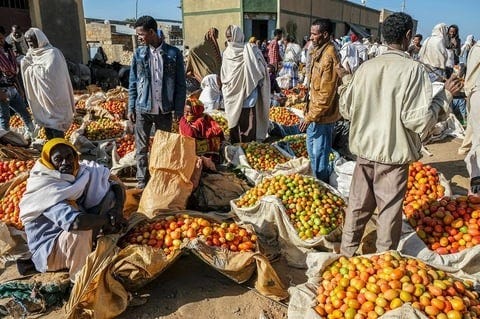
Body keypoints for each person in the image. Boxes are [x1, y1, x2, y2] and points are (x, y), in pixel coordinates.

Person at [336, 12, 463, 257]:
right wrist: (444, 96)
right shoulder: (413, 71)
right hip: (392, 156)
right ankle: (385, 261)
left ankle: (346, 255)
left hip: (364, 152)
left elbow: (347, 109)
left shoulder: (366, 67)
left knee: (357, 207)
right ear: (407, 36)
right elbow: (418, 121)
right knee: (388, 213)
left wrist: (347, 81)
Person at [19, 138, 126, 281]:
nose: (65, 163)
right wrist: (109, 219)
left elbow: (114, 184)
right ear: (49, 162)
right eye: (58, 159)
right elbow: (75, 222)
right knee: (81, 230)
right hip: (50, 251)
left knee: (108, 195)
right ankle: (79, 279)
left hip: (69, 238)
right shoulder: (46, 188)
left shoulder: (79, 173)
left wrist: (117, 211)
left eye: (69, 157)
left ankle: (93, 245)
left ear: (75, 157)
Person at [128, 16, 186, 189]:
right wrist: (131, 106)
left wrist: (179, 109)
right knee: (141, 148)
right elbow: (133, 82)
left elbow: (180, 84)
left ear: (152, 32)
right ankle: (141, 181)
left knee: (164, 147)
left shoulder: (173, 54)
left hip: (165, 110)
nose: (139, 37)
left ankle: (160, 179)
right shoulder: (139, 54)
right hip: (142, 109)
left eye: (141, 34)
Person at [299, 18, 341, 183]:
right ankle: (317, 179)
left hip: (322, 115)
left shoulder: (329, 55)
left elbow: (326, 94)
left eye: (314, 34)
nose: (310, 37)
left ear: (325, 35)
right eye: (310, 33)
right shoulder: (318, 51)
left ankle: (322, 183)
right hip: (314, 111)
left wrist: (310, 116)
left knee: (320, 152)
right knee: (313, 151)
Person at [21, 28, 74, 140]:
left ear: (39, 39)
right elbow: (26, 66)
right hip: (41, 97)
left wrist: (30, 67)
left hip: (55, 97)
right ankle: (52, 147)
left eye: (32, 40)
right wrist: (25, 64)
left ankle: (60, 147)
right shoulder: (31, 54)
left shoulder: (53, 53)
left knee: (56, 124)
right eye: (28, 41)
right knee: (46, 124)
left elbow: (49, 74)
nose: (30, 43)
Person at [221, 25, 270, 144]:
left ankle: (248, 148)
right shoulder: (227, 53)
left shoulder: (250, 50)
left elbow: (261, 70)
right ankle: (236, 147)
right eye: (228, 38)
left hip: (248, 94)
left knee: (248, 123)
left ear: (238, 36)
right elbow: (224, 73)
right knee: (233, 122)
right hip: (231, 94)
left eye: (231, 37)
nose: (230, 40)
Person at [0, 30, 34, 136]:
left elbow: (14, 73)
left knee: (24, 113)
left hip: (13, 89)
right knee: (4, 118)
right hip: (2, 91)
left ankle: (31, 135)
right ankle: (5, 145)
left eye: (1, 38)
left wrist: (20, 89)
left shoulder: (8, 51)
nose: (0, 41)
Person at [463, 41, 480, 193]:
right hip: (478, 95)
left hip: (476, 94)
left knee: (478, 138)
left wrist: (468, 90)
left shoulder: (477, 48)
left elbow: (471, 75)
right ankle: (476, 181)